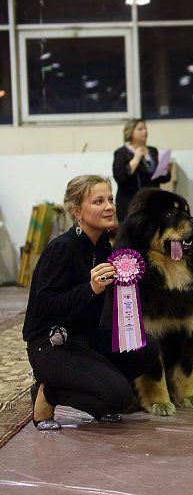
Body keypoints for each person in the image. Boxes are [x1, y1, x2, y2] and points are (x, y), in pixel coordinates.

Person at [23, 175, 159, 430]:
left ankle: (98, 387)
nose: (108, 206)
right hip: (51, 345)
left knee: (146, 347)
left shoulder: (103, 247)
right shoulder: (61, 249)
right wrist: (90, 289)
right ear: (77, 211)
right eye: (98, 201)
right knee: (119, 396)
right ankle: (49, 392)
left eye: (110, 199)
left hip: (85, 340)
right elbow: (44, 308)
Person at [112, 119, 172, 222]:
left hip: (152, 199)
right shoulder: (121, 153)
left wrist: (166, 170)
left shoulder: (152, 151)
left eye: (145, 128)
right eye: (140, 129)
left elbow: (160, 179)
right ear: (130, 132)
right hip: (130, 201)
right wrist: (136, 159)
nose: (145, 131)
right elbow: (119, 177)